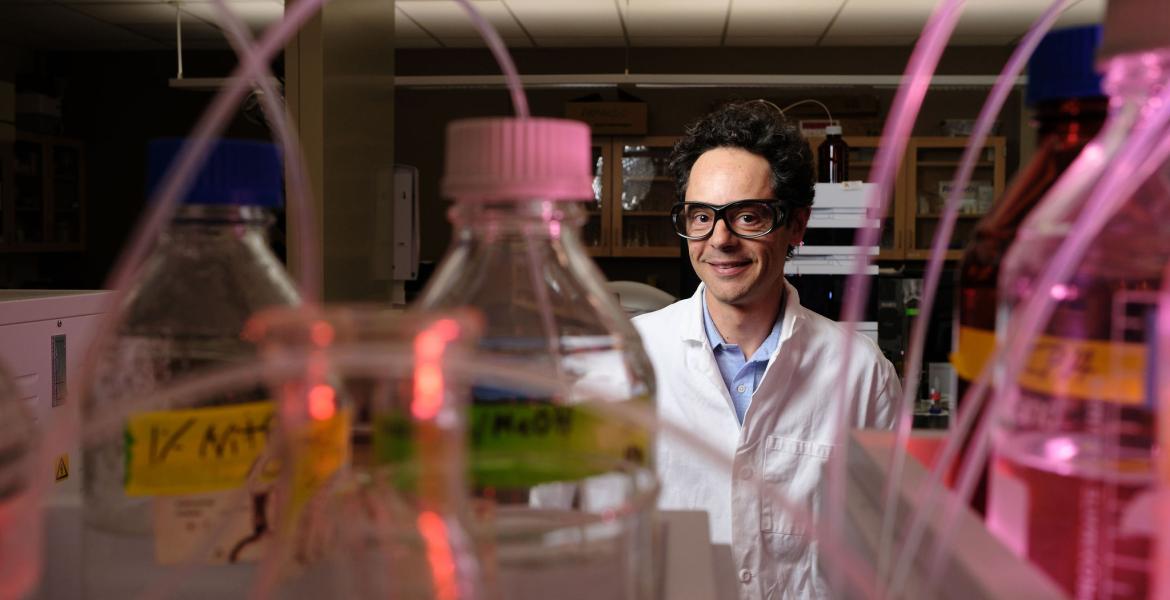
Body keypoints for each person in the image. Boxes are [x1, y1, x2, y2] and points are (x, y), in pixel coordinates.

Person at [632, 101, 898, 599]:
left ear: (796, 225)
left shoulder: (861, 373)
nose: (720, 240)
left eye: (748, 216)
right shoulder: (631, 358)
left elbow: (886, 552)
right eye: (701, 216)